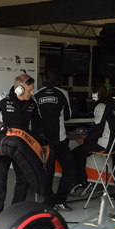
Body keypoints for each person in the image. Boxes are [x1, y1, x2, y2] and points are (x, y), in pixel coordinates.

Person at [0, 73, 42, 217]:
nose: (32, 92)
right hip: (4, 145)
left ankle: (14, 214)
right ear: (19, 89)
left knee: (24, 180)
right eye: (29, 90)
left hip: (22, 146)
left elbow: (38, 124)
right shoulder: (2, 98)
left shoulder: (32, 102)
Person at [35, 68, 75, 211]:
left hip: (43, 140)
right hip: (60, 139)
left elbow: (34, 117)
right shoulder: (63, 93)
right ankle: (60, 200)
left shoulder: (36, 94)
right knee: (70, 170)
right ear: (59, 80)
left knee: (48, 172)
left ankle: (49, 202)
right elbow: (69, 115)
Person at [71, 85, 115, 194]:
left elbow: (97, 131)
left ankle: (82, 183)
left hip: (105, 145)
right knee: (84, 151)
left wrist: (85, 140)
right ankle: (82, 182)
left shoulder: (100, 106)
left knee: (76, 153)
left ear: (96, 94)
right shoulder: (114, 105)